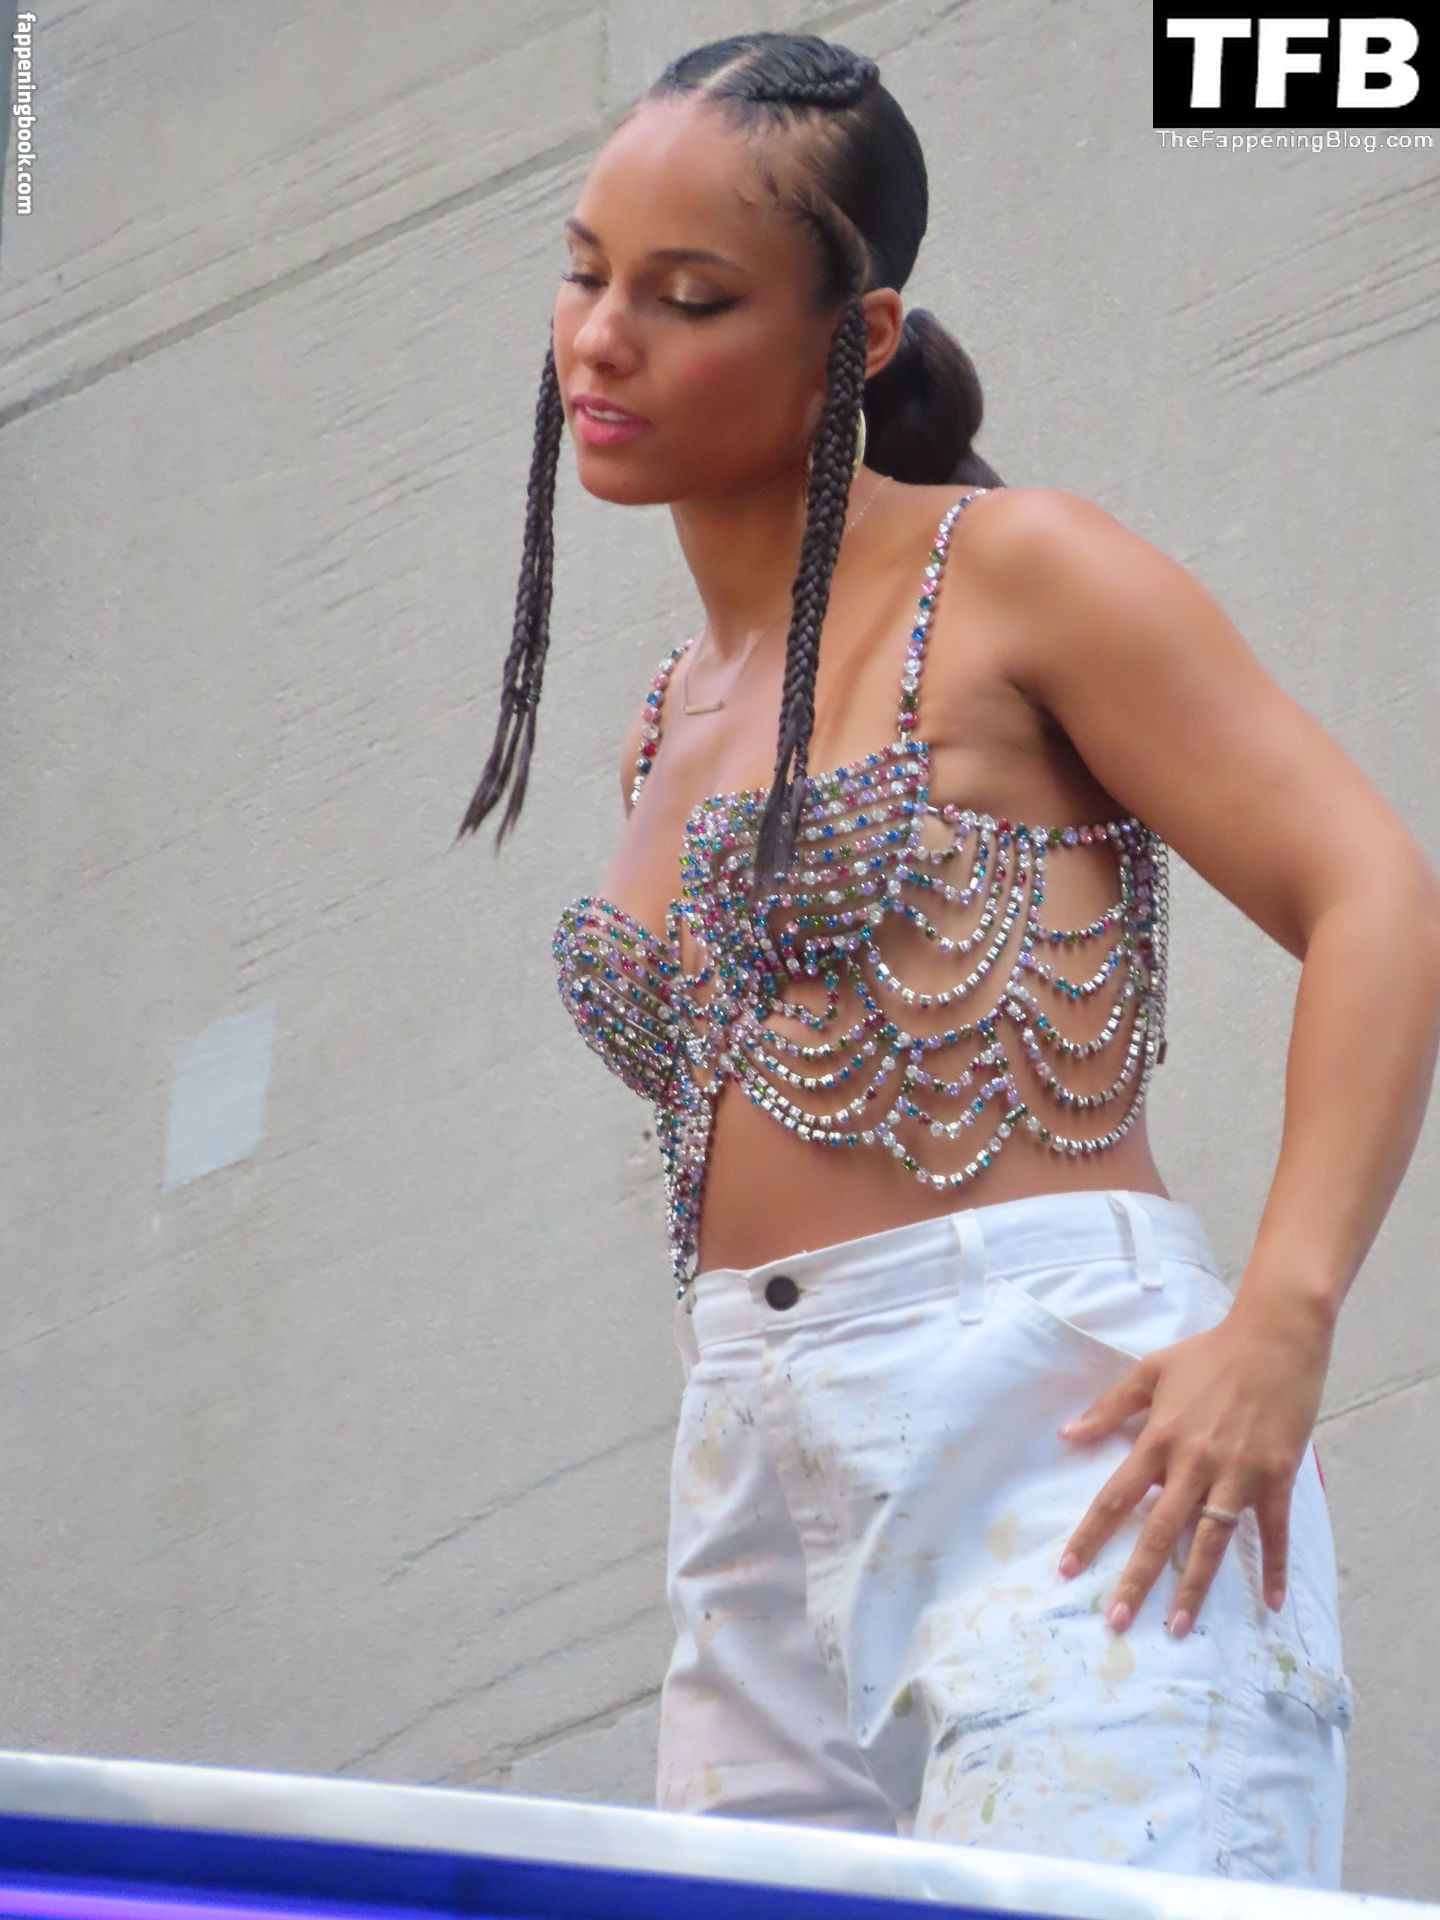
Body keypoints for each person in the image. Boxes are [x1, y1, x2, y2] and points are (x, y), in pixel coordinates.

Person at [452, 29, 1440, 1890]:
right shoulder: (671, 711)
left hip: (1065, 1429)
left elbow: (1374, 890)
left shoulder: (1015, 571)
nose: (602, 340)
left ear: (859, 337)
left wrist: (1283, 1323)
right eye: (586, 275)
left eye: (689, 297)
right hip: (751, 1466)